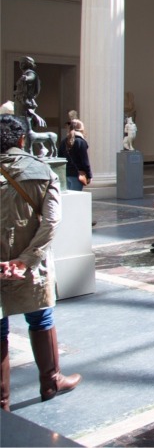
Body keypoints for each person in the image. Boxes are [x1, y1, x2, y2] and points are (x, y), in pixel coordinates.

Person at [1, 114, 81, 410]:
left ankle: (2, 401)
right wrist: (26, 260)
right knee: (40, 318)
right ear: (23, 139)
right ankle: (51, 381)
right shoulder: (41, 170)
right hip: (32, 263)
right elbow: (51, 221)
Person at [57, 119, 92, 190]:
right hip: (77, 175)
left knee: (69, 196)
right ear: (81, 130)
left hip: (66, 174)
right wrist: (89, 175)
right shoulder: (81, 142)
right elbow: (85, 161)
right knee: (77, 196)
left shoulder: (63, 142)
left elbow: (60, 158)